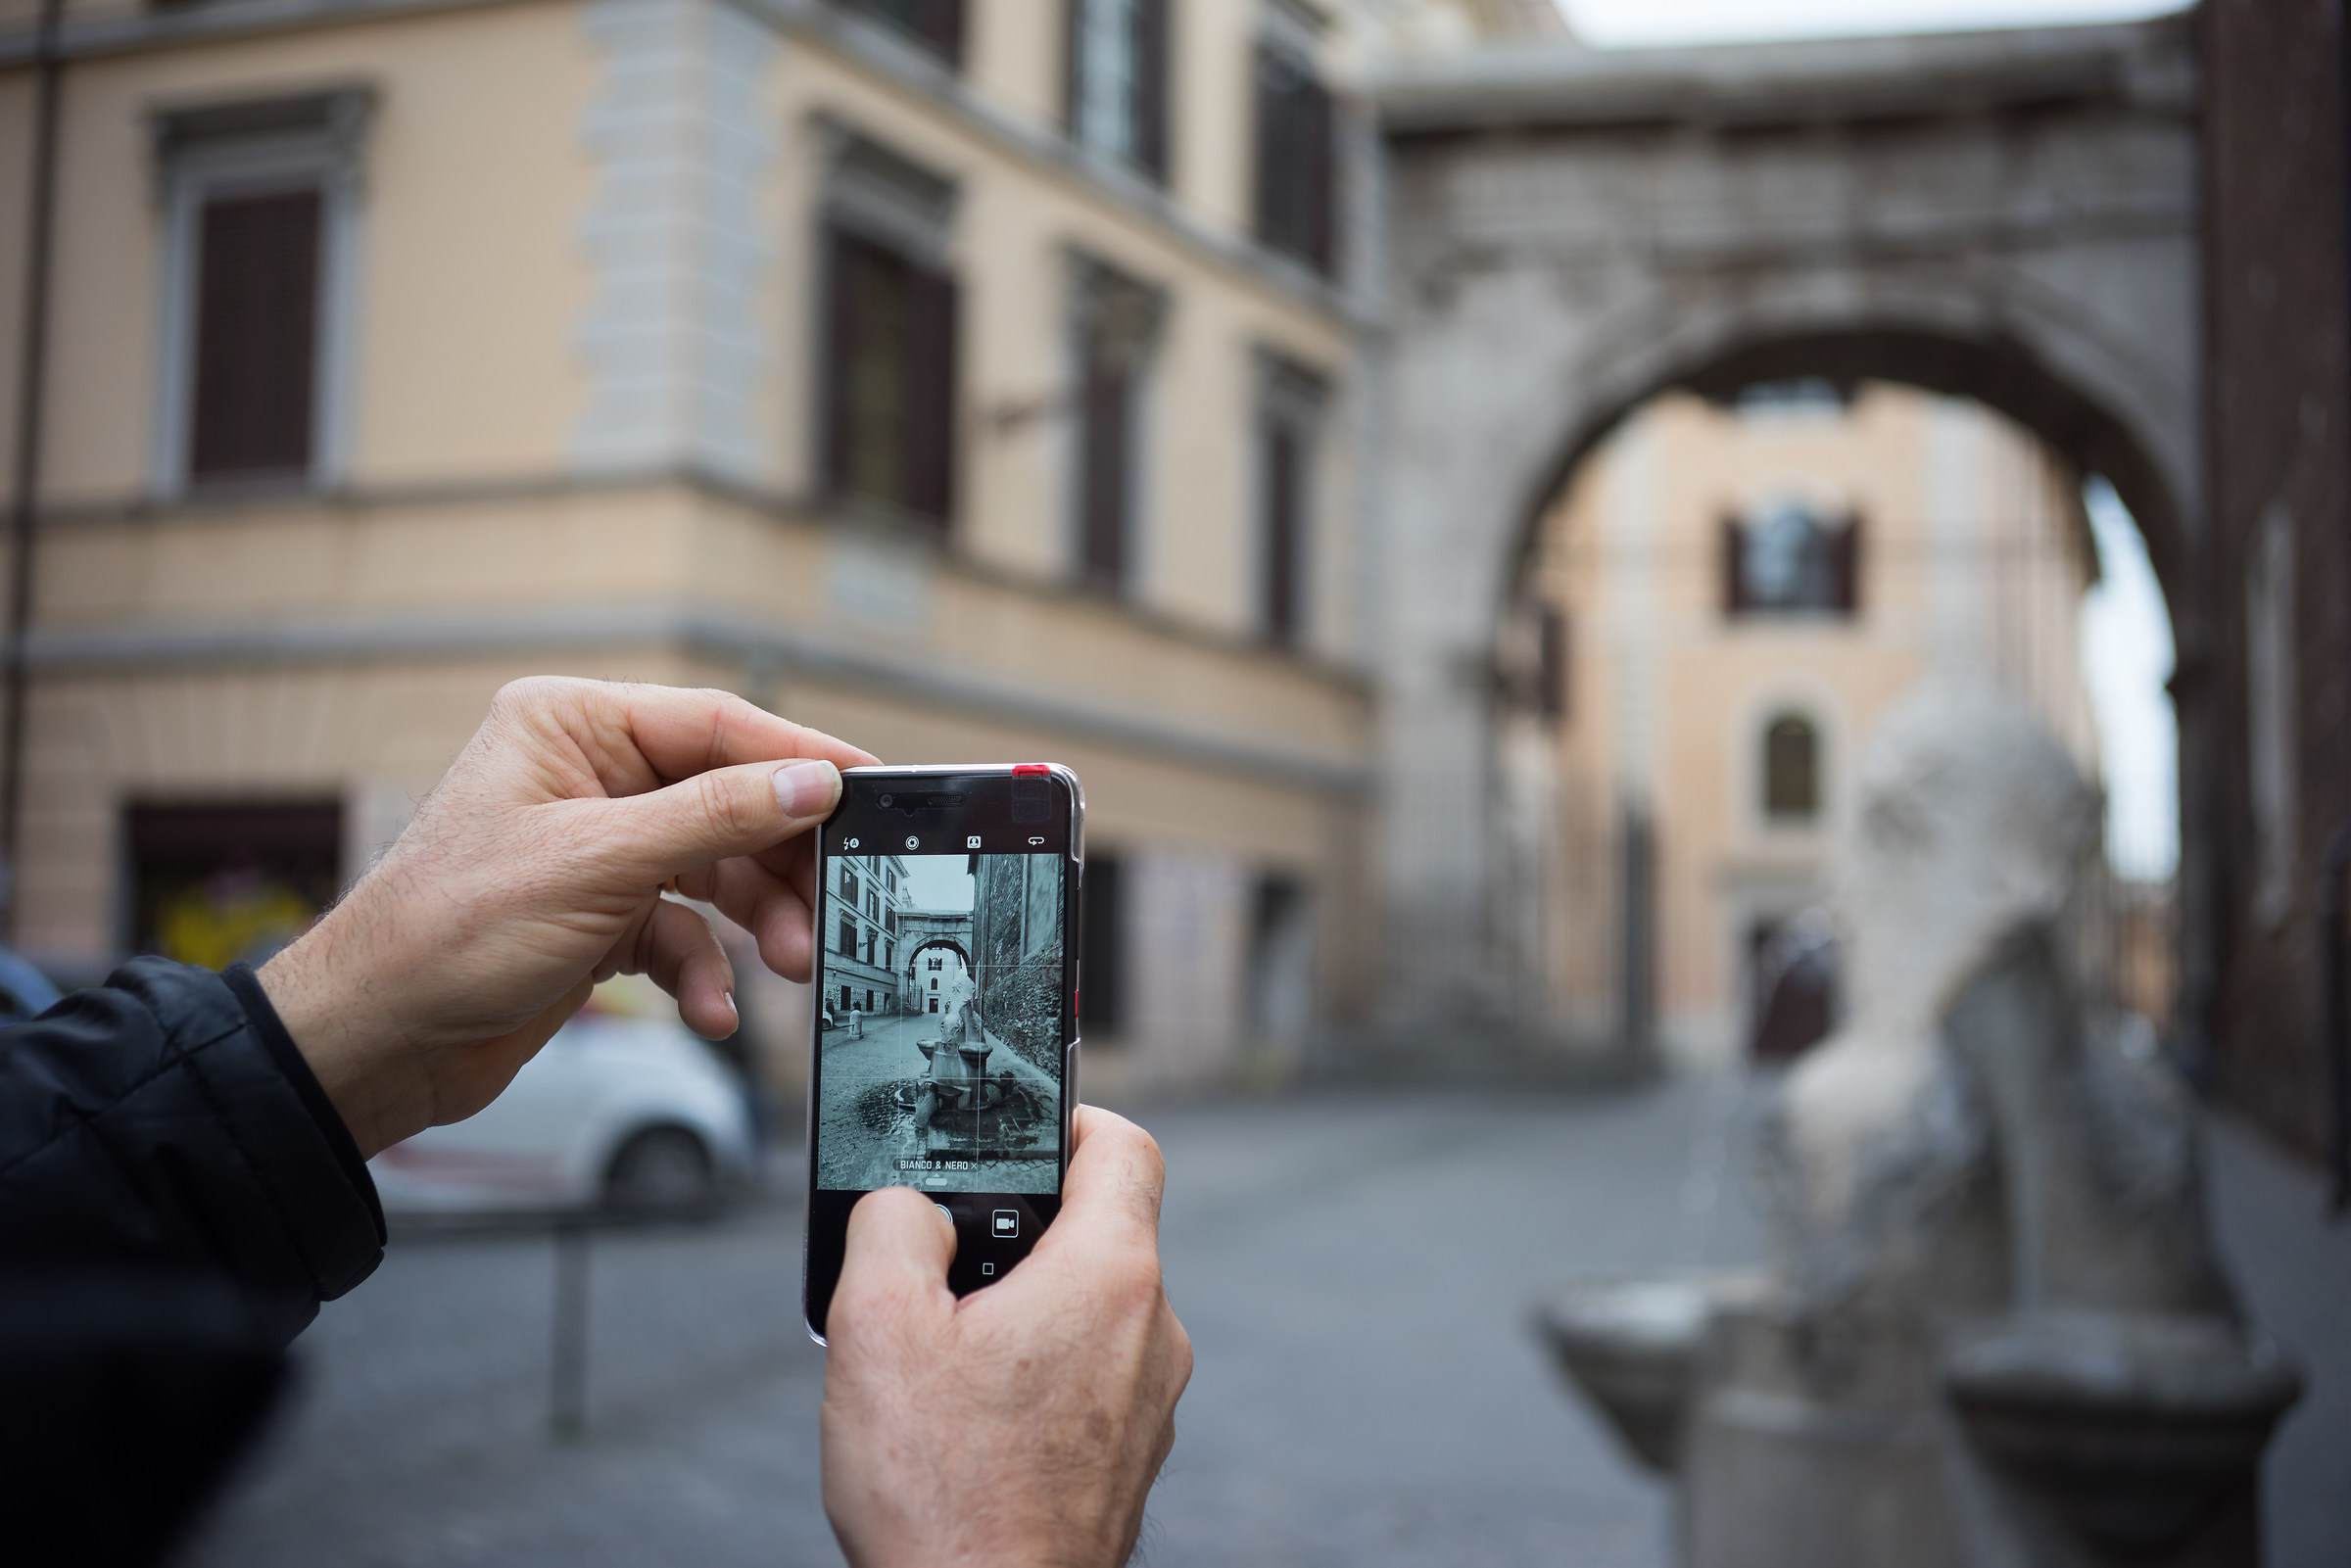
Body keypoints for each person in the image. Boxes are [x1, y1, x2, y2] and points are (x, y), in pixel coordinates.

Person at [0, 677, 1192, 1568]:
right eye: (924, 971)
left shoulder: (994, 1057)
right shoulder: (886, 1057)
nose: (933, 983)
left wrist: (329, 1033)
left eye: (944, 974)